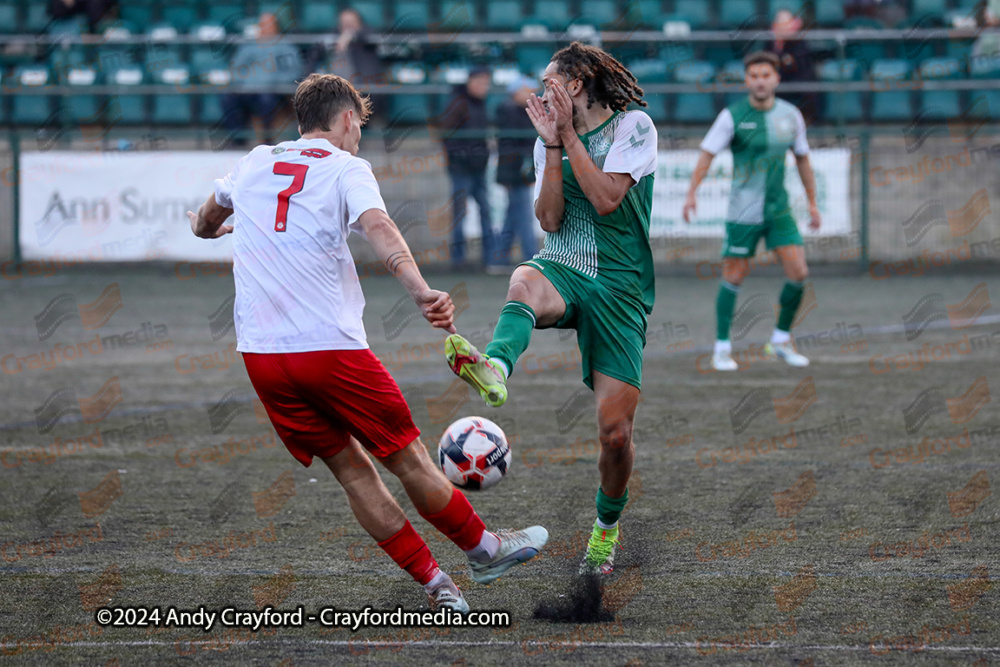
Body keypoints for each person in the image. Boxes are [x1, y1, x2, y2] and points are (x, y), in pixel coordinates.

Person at [187, 73, 547, 611]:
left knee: (353, 473)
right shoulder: (346, 166)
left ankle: (437, 586)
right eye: (359, 127)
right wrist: (423, 291)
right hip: (329, 351)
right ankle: (484, 549)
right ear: (348, 120)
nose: (359, 137)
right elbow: (379, 227)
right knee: (409, 460)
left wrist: (211, 230)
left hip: (261, 356)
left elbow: (207, 218)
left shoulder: (255, 161)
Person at [442, 43, 657, 576]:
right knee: (523, 278)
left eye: (549, 82)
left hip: (620, 285)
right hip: (565, 262)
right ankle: (494, 367)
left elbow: (607, 198)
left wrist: (564, 137)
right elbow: (550, 219)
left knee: (616, 435)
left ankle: (605, 531)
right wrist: (553, 148)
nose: (540, 93)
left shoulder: (635, 128)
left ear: (578, 85)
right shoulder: (548, 141)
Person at [682, 51, 821, 372]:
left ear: (776, 79)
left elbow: (802, 159)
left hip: (779, 210)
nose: (760, 81)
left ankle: (781, 340)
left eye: (766, 75)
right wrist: (692, 193)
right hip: (742, 212)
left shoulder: (791, 115)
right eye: (754, 76)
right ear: (747, 80)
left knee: (799, 273)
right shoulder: (732, 116)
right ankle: (721, 348)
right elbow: (706, 155)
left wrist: (812, 202)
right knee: (734, 276)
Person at [438, 66, 498, 269]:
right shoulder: (457, 103)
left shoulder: (479, 104)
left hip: (478, 167)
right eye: (480, 82)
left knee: (485, 211)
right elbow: (446, 134)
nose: (484, 87)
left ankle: (489, 257)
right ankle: (458, 259)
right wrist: (461, 157)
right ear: (470, 82)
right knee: (460, 214)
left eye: (486, 83)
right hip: (461, 168)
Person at [221, 13, 303, 146]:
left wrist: (274, 81)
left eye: (268, 24)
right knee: (228, 98)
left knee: (267, 100)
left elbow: (294, 72)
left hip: (272, 89)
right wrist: (244, 83)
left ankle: (267, 141)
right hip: (247, 89)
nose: (265, 28)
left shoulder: (286, 46)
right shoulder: (248, 45)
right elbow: (235, 68)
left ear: (276, 27)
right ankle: (238, 140)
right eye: (262, 25)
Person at [306, 8, 385, 120]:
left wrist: (352, 36)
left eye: (351, 22)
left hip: (363, 87)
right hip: (335, 88)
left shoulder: (367, 36)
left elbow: (375, 39)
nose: (348, 25)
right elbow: (314, 53)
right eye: (344, 22)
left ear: (359, 22)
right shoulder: (332, 37)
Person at [494, 75, 541, 267]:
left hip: (516, 171)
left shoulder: (516, 112)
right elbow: (511, 148)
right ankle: (532, 256)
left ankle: (500, 258)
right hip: (515, 172)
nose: (532, 93)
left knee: (513, 216)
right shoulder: (511, 112)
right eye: (527, 90)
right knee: (523, 216)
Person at [765, 9, 819, 122]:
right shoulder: (770, 43)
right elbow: (765, 62)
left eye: (787, 23)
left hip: (799, 85)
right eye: (780, 23)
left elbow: (794, 67)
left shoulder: (800, 42)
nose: (783, 27)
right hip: (777, 85)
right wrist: (777, 46)